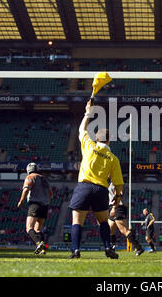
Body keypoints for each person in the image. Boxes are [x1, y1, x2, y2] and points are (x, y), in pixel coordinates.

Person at [68, 100, 124, 259]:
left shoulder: (89, 146)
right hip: (100, 190)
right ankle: (108, 247)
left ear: (97, 138)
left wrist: (87, 112)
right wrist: (117, 200)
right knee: (104, 222)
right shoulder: (113, 158)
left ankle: (76, 250)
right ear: (109, 140)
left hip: (84, 187)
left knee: (77, 221)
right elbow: (118, 183)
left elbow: (81, 130)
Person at [17, 162, 53, 255]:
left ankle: (39, 243)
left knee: (29, 228)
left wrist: (21, 201)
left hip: (35, 204)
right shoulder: (44, 179)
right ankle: (43, 250)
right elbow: (51, 194)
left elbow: (26, 189)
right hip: (45, 205)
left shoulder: (30, 177)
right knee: (38, 230)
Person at [107, 183, 144, 256]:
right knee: (110, 228)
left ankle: (138, 247)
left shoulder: (117, 181)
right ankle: (112, 248)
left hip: (117, 206)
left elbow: (119, 194)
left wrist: (114, 208)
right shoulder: (117, 182)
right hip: (116, 206)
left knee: (124, 230)